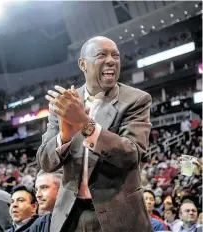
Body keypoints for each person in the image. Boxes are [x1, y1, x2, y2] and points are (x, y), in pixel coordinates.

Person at [37, 36, 153, 232]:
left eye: (115, 55)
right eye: (101, 55)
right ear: (83, 64)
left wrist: (85, 124)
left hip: (119, 216)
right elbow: (45, 162)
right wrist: (64, 137)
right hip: (70, 216)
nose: (111, 60)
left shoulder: (136, 100)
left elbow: (131, 155)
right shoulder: (65, 103)